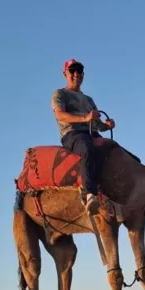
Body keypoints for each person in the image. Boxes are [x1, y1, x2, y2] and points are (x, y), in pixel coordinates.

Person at [51, 58, 113, 214]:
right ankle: (89, 195)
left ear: (83, 75)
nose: (76, 74)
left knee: (119, 152)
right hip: (72, 133)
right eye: (72, 71)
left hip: (92, 132)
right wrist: (85, 118)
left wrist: (107, 125)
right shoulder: (60, 94)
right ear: (65, 74)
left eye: (79, 71)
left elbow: (98, 124)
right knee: (87, 148)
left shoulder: (88, 99)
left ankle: (139, 202)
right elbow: (60, 115)